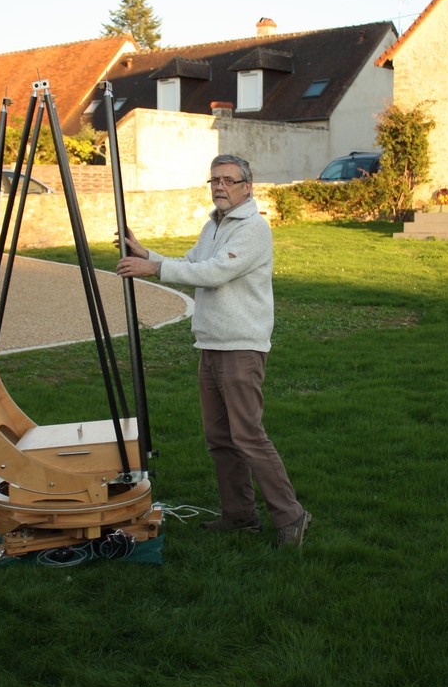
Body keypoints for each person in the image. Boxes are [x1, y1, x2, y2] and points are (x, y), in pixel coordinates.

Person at [116, 154, 311, 548]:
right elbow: (192, 263)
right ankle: (239, 516)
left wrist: (153, 271)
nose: (220, 186)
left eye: (228, 180)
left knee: (249, 436)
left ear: (247, 187)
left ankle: (291, 515)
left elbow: (215, 273)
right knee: (220, 438)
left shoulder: (253, 229)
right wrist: (146, 255)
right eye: (215, 180)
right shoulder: (214, 225)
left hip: (241, 346)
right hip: (211, 343)